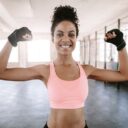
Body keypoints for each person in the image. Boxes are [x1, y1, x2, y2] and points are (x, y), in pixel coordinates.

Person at [0, 5, 128, 128]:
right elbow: (2, 72)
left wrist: (121, 45)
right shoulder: (45, 71)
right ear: (52, 38)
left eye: (71, 34)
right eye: (60, 34)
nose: (66, 39)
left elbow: (124, 74)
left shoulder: (86, 70)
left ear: (76, 38)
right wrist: (12, 40)